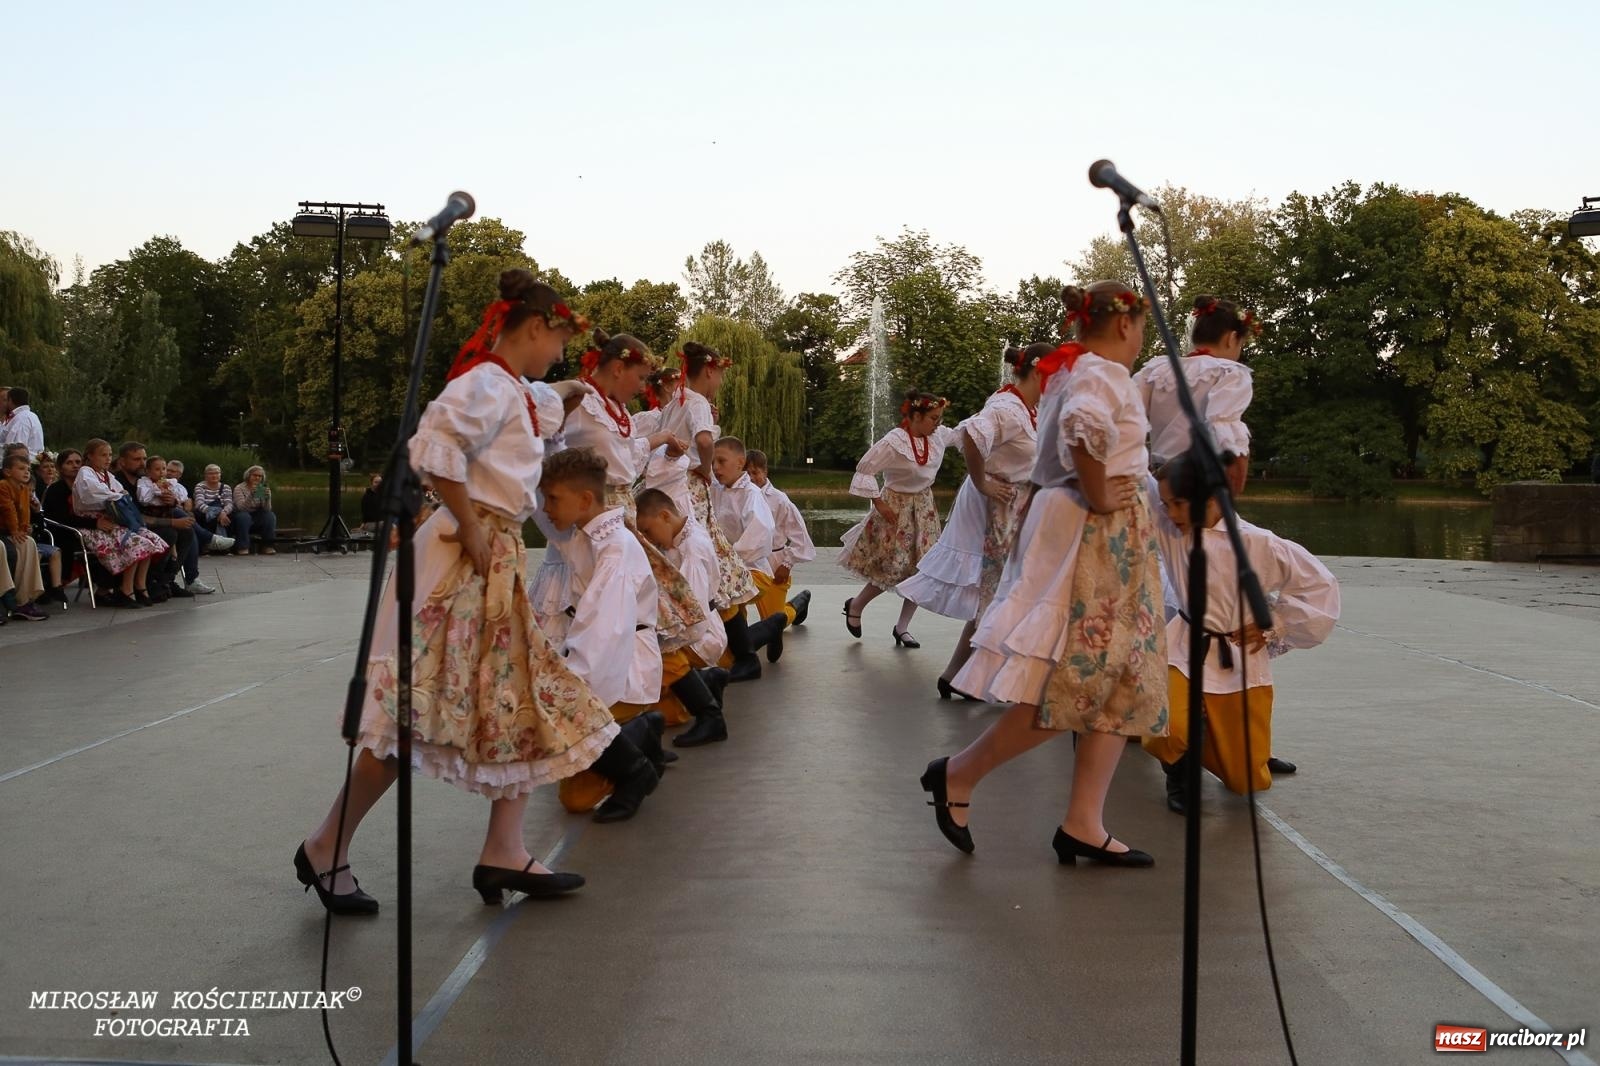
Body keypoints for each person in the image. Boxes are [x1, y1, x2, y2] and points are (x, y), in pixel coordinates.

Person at [295, 269, 615, 913]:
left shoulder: (515, 390)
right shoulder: (486, 384)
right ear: (535, 328)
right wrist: (468, 525)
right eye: (559, 341)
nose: (560, 354)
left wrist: (579, 386)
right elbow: (436, 446)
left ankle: (503, 850)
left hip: (494, 558)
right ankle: (326, 844)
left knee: (522, 697)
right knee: (413, 714)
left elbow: (546, 399)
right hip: (464, 561)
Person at [927, 282, 1167, 868]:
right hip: (1097, 533)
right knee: (1079, 680)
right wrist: (1100, 494)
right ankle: (960, 773)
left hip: (1101, 531)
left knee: (1120, 681)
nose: (1141, 339)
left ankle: (1083, 821)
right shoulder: (1101, 372)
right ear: (1125, 325)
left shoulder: (1071, 369)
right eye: (1141, 327)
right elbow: (1083, 429)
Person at [1143, 455, 1340, 812]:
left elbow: (1320, 586)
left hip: (1237, 656)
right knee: (1169, 724)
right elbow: (1136, 480)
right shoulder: (1171, 530)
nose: (1169, 513)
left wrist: (1275, 622)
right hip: (1184, 646)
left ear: (1212, 498)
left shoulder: (1258, 543)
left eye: (1178, 504)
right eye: (1165, 505)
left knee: (1247, 779)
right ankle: (1180, 776)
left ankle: (1217, 745)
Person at [898, 344, 1046, 699]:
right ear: (1040, 372)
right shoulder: (1008, 408)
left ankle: (958, 675)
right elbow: (971, 437)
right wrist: (982, 482)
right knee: (1000, 591)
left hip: (1014, 506)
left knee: (1002, 592)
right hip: (997, 506)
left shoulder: (1028, 408)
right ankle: (981, 677)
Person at [538, 448, 667, 822]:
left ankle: (636, 766)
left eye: (553, 499)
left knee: (575, 798)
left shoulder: (615, 549)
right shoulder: (584, 532)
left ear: (584, 500)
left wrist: (571, 686)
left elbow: (605, 633)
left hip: (624, 665)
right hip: (609, 655)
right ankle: (641, 729)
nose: (546, 508)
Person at [840, 391, 957, 648]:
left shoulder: (937, 436)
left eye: (939, 418)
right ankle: (856, 605)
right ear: (916, 416)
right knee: (892, 567)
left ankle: (902, 627)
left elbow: (965, 433)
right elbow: (865, 469)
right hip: (896, 508)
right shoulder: (895, 441)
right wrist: (879, 503)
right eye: (933, 418)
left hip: (924, 508)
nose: (938, 423)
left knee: (923, 570)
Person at [653, 341, 759, 613]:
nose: (720, 382)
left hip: (665, 484)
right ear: (710, 371)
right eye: (720, 375)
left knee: (676, 545)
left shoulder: (675, 401)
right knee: (704, 543)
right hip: (689, 483)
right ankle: (712, 605)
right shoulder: (698, 401)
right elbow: (703, 440)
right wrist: (705, 467)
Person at [1132, 295, 1259, 497]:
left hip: (1157, 484)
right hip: (1199, 484)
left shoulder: (1157, 369)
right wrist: (1236, 480)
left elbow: (1127, 412)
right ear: (1231, 338)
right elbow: (1223, 427)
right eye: (1240, 344)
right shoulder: (1230, 373)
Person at [635, 488, 731, 747]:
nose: (648, 539)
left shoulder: (692, 550)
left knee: (655, 656)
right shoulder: (683, 533)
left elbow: (693, 614)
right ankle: (706, 681)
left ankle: (711, 717)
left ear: (665, 516)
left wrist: (659, 638)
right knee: (665, 711)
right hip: (698, 626)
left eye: (647, 531)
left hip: (701, 633)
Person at [710, 436, 791, 681]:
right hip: (729, 568)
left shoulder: (751, 494)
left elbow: (761, 532)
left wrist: (728, 559)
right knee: (725, 659)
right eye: (713, 462)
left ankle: (752, 654)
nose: (715, 467)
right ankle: (769, 629)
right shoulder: (717, 489)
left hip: (752, 570)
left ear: (740, 462)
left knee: (721, 596)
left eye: (721, 461)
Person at [69, 439, 169, 608]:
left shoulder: (107, 475)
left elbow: (119, 491)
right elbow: (95, 494)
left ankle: (140, 586)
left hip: (112, 521)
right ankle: (126, 589)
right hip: (93, 525)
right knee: (137, 544)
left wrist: (120, 496)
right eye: (103, 455)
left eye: (109, 455)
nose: (108, 458)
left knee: (150, 539)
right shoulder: (85, 473)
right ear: (90, 456)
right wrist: (118, 496)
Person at [745, 449, 814, 641]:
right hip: (744, 562)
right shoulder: (737, 496)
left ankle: (797, 606)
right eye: (746, 473)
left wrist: (787, 563)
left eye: (755, 472)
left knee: (773, 622)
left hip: (773, 562)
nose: (751, 478)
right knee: (733, 610)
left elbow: (800, 536)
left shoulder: (779, 500)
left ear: (765, 471)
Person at [116, 444, 198, 599]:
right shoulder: (118, 482)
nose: (142, 463)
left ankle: (166, 581)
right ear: (122, 462)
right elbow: (133, 516)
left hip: (150, 520)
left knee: (186, 531)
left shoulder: (146, 479)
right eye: (137, 459)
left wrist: (172, 500)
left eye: (144, 458)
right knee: (169, 533)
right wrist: (172, 522)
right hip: (130, 526)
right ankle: (151, 581)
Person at [137, 456, 221, 590]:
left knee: (187, 529)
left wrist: (174, 498)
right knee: (178, 528)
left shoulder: (170, 483)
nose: (163, 473)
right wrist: (156, 490)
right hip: (151, 518)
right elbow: (144, 499)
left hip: (167, 513)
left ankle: (169, 579)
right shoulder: (144, 483)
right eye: (158, 469)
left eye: (164, 469)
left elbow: (182, 498)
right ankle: (208, 539)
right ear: (148, 471)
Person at [0, 452, 51, 621]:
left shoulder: (24, 489)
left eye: (28, 469)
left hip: (9, 532)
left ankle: (24, 601)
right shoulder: (3, 486)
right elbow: (8, 509)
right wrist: (15, 530)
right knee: (3, 547)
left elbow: (24, 512)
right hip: (5, 531)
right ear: (7, 472)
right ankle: (7, 598)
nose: (26, 472)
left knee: (28, 542)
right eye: (21, 469)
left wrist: (23, 529)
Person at [232, 466, 278, 554]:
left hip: (256, 516)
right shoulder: (239, 488)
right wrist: (251, 495)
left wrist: (268, 498)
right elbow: (241, 508)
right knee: (244, 516)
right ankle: (243, 547)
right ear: (248, 476)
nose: (257, 478)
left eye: (260, 476)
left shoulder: (261, 488)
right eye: (255, 475)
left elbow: (266, 509)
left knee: (270, 515)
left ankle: (268, 546)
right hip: (241, 516)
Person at [193, 465, 236, 550]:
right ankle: (220, 545)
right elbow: (199, 504)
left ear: (220, 475)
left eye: (216, 473)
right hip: (206, 512)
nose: (214, 476)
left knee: (234, 516)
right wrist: (217, 512)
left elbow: (229, 504)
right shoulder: (200, 486)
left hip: (223, 512)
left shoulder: (226, 487)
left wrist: (223, 512)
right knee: (211, 517)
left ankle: (219, 544)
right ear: (205, 475)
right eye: (211, 473)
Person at [0, 387, 45, 458]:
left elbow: (17, 450)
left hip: (22, 461)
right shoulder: (31, 416)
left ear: (10, 400)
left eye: (6, 400)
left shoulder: (21, 419)